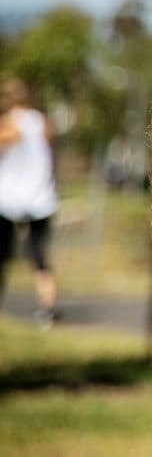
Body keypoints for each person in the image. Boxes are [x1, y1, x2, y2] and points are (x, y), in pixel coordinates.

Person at [0, 77, 60, 329]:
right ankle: (47, 308)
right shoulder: (42, 122)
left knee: (3, 256)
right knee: (38, 257)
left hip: (8, 199)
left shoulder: (6, 125)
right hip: (40, 197)